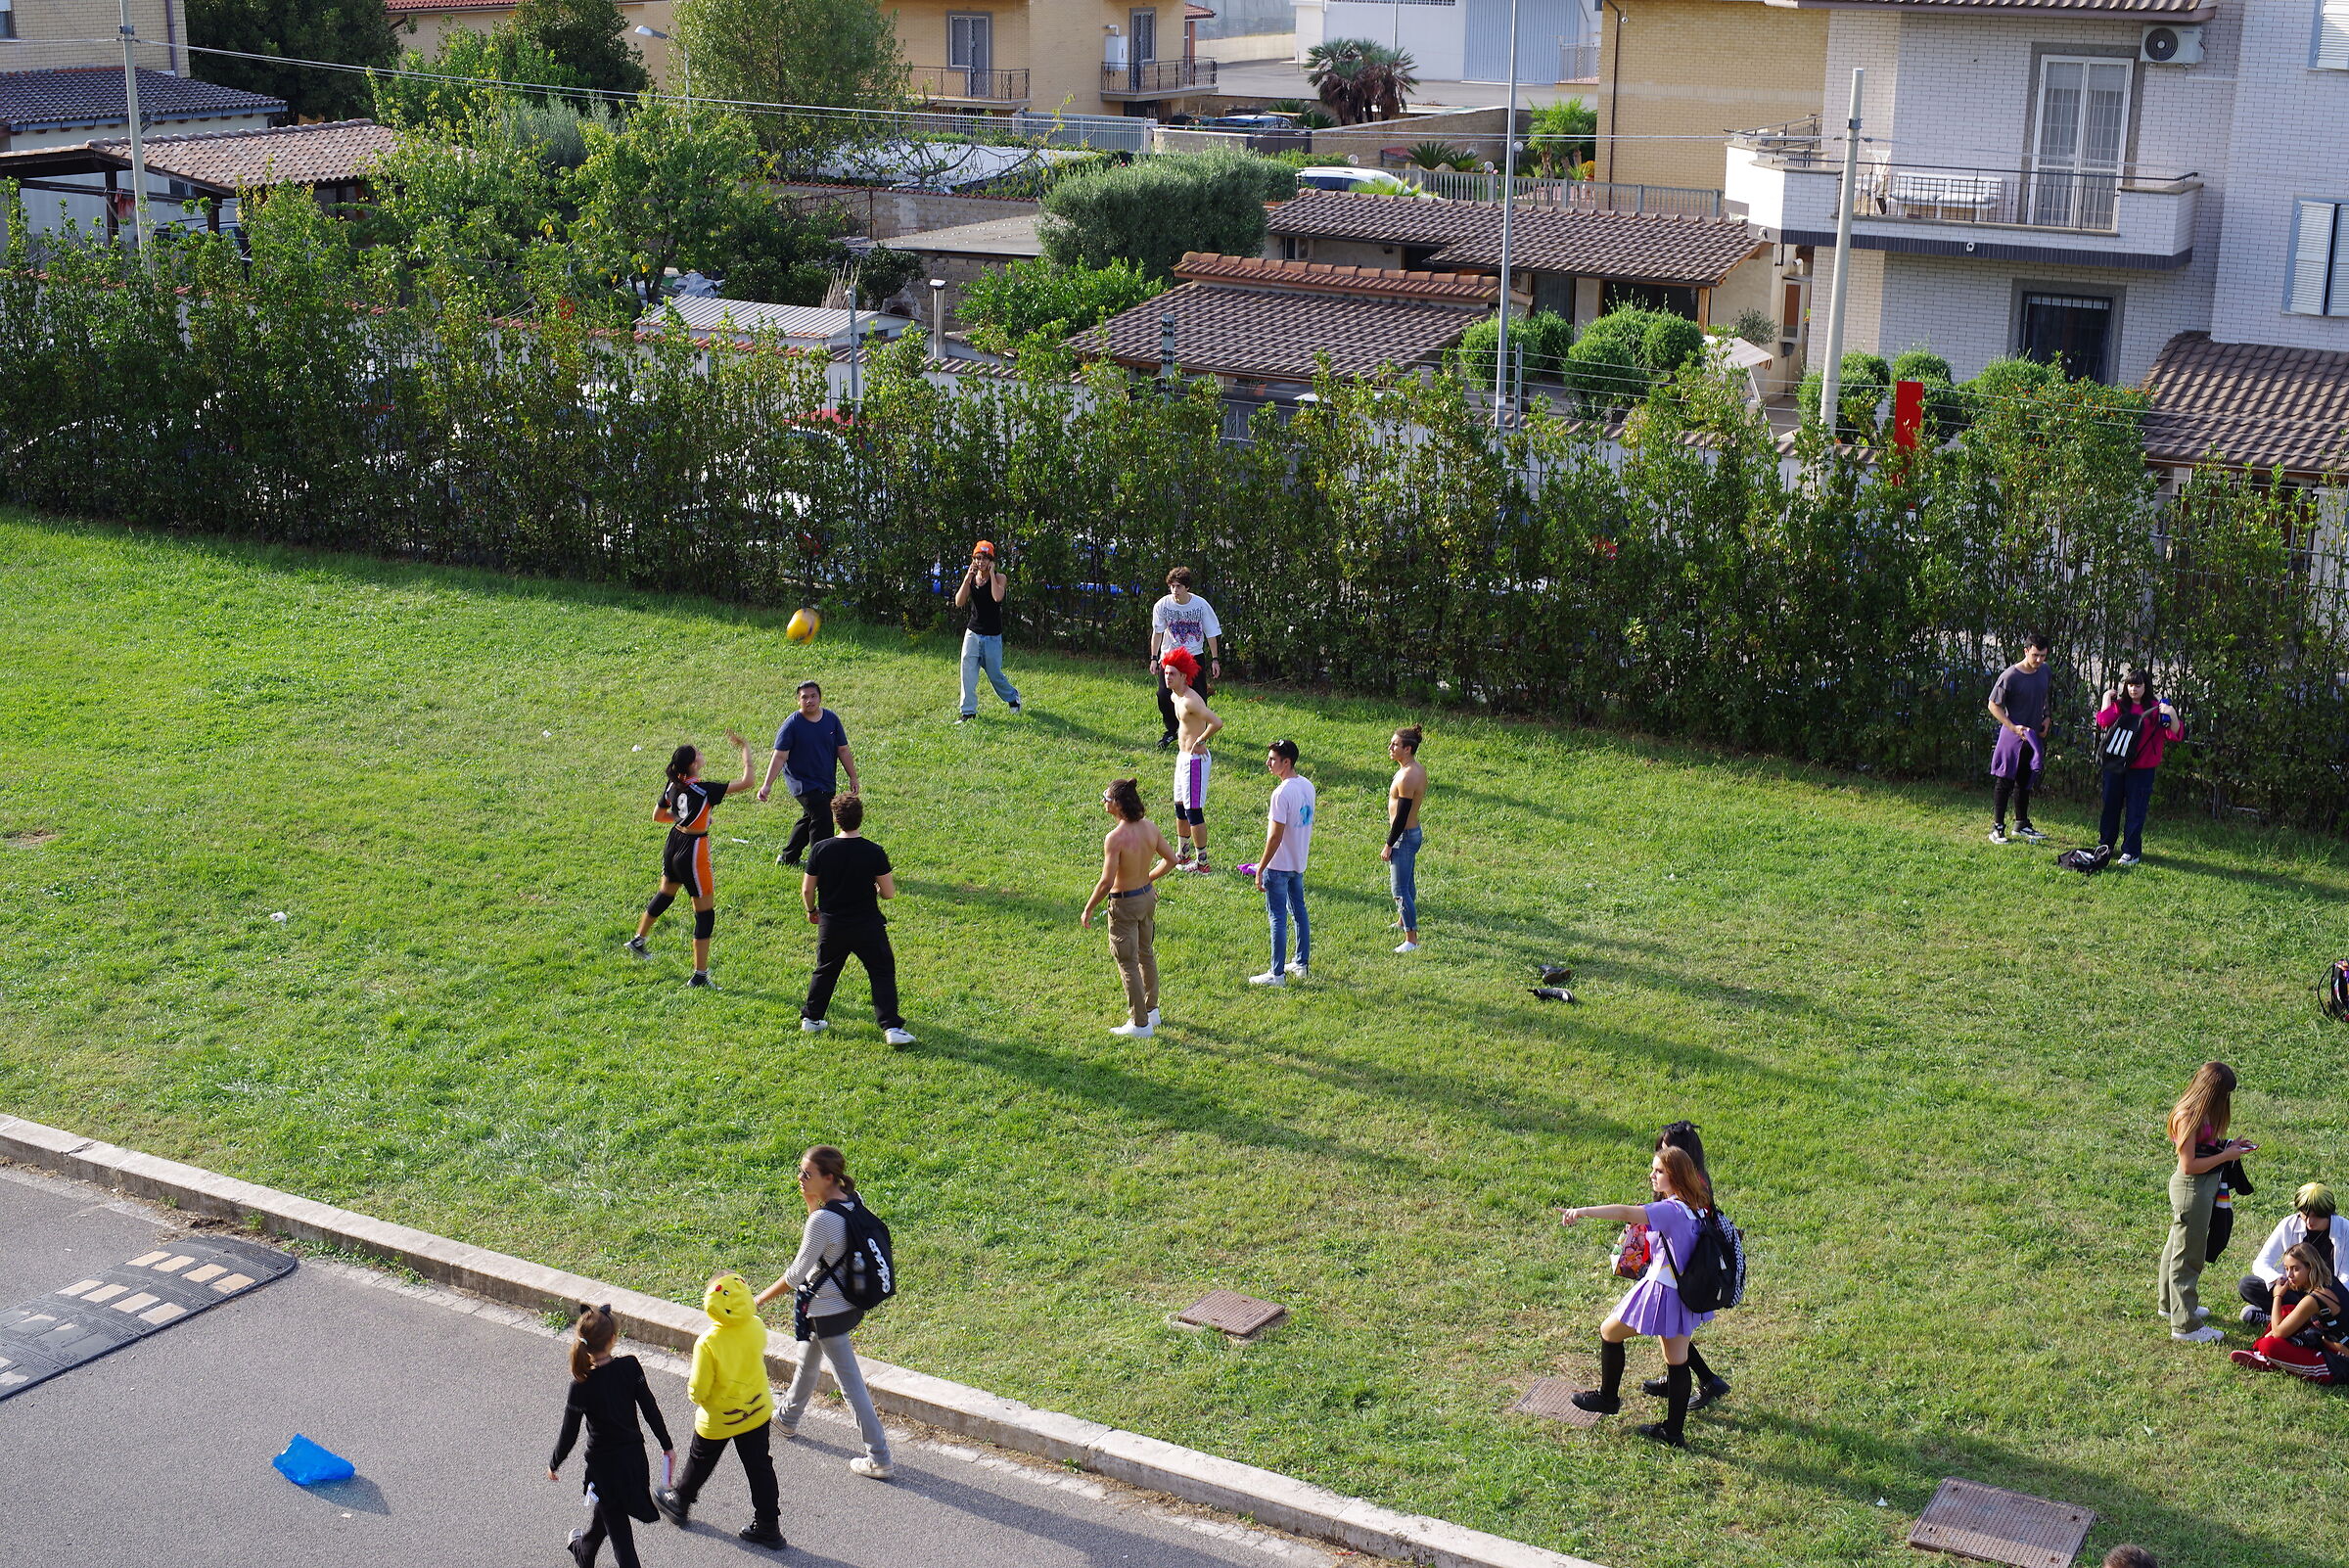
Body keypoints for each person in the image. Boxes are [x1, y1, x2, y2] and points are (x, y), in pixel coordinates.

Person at [1557, 1145, 1718, 1448]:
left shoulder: (1669, 1210)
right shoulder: (1696, 1204)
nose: (1652, 1176)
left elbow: (1624, 1212)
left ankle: (1607, 1398)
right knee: (1677, 1361)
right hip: (1686, 1296)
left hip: (1662, 1292)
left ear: (1676, 1176)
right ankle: (1672, 1432)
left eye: (1659, 1171)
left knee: (1609, 1331)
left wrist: (1581, 1211)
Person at [755, 1145, 897, 1478]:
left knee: (850, 1384)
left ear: (828, 1177)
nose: (800, 1179)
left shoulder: (822, 1220)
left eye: (807, 1174)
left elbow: (795, 1274)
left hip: (824, 1310)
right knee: (808, 1358)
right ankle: (787, 1418)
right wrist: (811, 1207)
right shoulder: (851, 1200)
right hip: (847, 1303)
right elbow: (829, 1246)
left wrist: (757, 1301)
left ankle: (879, 1457)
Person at [653, 1274, 785, 1550]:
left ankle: (681, 1501)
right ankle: (769, 1526)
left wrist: (696, 1397)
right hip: (757, 1410)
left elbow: (698, 1390)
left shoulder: (708, 1343)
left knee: (701, 1459)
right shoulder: (756, 1326)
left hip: (721, 1416)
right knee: (759, 1466)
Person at [549, 1304, 675, 1568]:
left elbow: (569, 1434)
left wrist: (554, 1463)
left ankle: (583, 1552)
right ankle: (583, 1552)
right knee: (608, 1513)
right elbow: (650, 1408)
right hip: (634, 1463)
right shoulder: (630, 1367)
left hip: (604, 1470)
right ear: (613, 1339)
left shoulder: (580, 1386)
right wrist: (667, 1446)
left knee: (621, 1539)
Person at [626, 733, 754, 989]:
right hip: (694, 850)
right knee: (705, 914)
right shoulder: (704, 788)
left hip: (673, 843)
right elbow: (748, 782)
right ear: (694, 763)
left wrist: (687, 820)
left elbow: (658, 816)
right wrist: (746, 748)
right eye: (698, 752)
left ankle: (638, 939)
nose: (702, 754)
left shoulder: (674, 783)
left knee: (666, 893)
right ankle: (700, 976)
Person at [800, 795, 915, 1047]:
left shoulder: (820, 849)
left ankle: (812, 1018)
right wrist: (873, 889)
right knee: (881, 971)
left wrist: (812, 911)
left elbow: (807, 890)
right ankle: (891, 1027)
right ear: (860, 818)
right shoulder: (873, 851)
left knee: (826, 971)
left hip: (832, 924)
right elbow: (889, 892)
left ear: (835, 819)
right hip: (867, 925)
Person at [1638, 1122, 1730, 1412]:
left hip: (1682, 1270)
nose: (1662, 1156)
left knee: (1673, 1325)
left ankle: (1703, 1379)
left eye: (1668, 1150)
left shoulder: (1692, 1185)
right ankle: (1687, 1377)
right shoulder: (1690, 1179)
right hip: (1673, 1266)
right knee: (1672, 1328)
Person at [2161, 1060, 2253, 1344]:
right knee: (2187, 1257)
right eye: (2223, 1094)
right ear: (2211, 1091)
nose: (2225, 1101)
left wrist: (2228, 1147)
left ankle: (2170, 1306)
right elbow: (2189, 1164)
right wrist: (2226, 1157)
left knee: (2176, 1246)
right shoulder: (2188, 1115)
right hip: (2192, 1189)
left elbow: (2202, 1150)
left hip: (2200, 1189)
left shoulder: (2200, 1112)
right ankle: (2185, 1324)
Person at [1081, 777, 1179, 1038]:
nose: (1104, 802)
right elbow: (1171, 859)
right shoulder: (1149, 827)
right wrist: (1148, 879)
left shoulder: (1115, 838)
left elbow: (1106, 881)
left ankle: (1140, 1024)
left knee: (1127, 961)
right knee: (1146, 953)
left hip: (1124, 904)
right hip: (1147, 898)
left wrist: (1089, 907)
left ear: (1119, 805)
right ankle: (1152, 1010)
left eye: (1107, 798)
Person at [760, 681, 859, 869]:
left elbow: (843, 750)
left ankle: (788, 857)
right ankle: (822, 864)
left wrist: (853, 776)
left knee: (810, 817)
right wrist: (767, 784)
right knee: (822, 817)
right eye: (804, 697)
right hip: (801, 783)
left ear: (820, 698)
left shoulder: (831, 719)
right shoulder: (792, 724)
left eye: (813, 696)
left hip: (826, 781)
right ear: (798, 700)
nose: (809, 700)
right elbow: (780, 755)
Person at [2095, 668, 2181, 866]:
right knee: (2110, 806)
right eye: (2130, 685)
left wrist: (2172, 714)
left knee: (2136, 809)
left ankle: (2131, 851)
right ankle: (2106, 844)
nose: (2133, 689)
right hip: (2116, 765)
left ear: (2146, 687)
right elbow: (2103, 721)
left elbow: (2175, 734)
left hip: (2143, 768)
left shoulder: (2155, 709)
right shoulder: (2120, 706)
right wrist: (2107, 697)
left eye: (2138, 685)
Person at [2230, 1242, 2348, 1383]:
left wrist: (2277, 1296)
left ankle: (2265, 1356)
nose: (2289, 1275)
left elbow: (2279, 1332)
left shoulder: (2314, 1299)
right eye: (2286, 1269)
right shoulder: (2328, 1280)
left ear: (2310, 1267)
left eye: (2295, 1269)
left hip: (2337, 1363)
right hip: (2328, 1341)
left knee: (2269, 1345)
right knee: (2288, 1310)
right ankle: (2265, 1356)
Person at [1250, 739, 1315, 988]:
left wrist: (1261, 867)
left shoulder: (1281, 793)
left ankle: (1276, 974)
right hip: (1298, 862)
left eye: (1273, 759)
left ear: (1286, 762)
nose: (1268, 763)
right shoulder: (1307, 786)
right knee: (1299, 912)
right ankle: (1301, 963)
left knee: (1277, 917)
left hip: (1278, 866)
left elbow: (1275, 836)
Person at [2239, 1181, 2337, 1326]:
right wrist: (2280, 1280)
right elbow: (2261, 1262)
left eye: (2316, 1216)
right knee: (2248, 1285)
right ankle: (2298, 1318)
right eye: (2304, 1214)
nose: (2309, 1221)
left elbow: (2345, 1278)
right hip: (2295, 1288)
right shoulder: (2289, 1224)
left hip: (2327, 1294)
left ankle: (2286, 1317)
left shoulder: (2345, 1230)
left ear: (2328, 1213)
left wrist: (2322, 1295)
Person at [1986, 633, 2051, 846]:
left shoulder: (2045, 671)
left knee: (2025, 781)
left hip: (2032, 737)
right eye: (2035, 655)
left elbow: (2044, 696)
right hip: (2012, 735)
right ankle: (1997, 828)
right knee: (2005, 781)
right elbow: (1993, 705)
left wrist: (2047, 717)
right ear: (2026, 651)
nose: (2039, 660)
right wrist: (2013, 727)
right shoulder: (2010, 676)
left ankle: (2021, 824)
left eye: (2043, 655)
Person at [1162, 648, 1222, 872]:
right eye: (1166, 673)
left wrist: (1200, 740)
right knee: (1180, 807)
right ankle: (1183, 855)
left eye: (1172, 674)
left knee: (1193, 810)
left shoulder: (1191, 701)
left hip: (1195, 761)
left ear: (1184, 676)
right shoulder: (1173, 696)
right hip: (1182, 757)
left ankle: (1203, 863)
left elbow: (1217, 722)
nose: (1167, 677)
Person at [1148, 568, 1222, 751]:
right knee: (1164, 695)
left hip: (1193, 655)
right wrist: (1153, 658)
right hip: (1170, 657)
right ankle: (1173, 730)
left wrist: (1215, 659)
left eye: (1179, 586)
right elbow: (1157, 633)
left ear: (1187, 587)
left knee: (1198, 696)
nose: (1175, 590)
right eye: (1172, 586)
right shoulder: (1162, 605)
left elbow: (1211, 633)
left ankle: (1200, 734)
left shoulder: (1200, 605)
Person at [954, 539, 1021, 722]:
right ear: (973, 559)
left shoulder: (1000, 578)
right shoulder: (971, 578)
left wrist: (991, 574)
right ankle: (968, 712)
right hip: (973, 633)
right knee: (967, 671)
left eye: (985, 558)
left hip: (992, 636)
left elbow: (997, 597)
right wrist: (967, 579)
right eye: (977, 558)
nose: (980, 562)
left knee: (994, 674)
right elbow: (959, 602)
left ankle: (1013, 697)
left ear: (991, 560)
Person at [1383, 726, 1427, 952]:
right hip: (1412, 833)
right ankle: (1402, 921)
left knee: (1399, 889)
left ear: (1407, 749)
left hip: (1404, 836)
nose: (1390, 748)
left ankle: (1411, 939)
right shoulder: (1416, 769)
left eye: (1395, 745)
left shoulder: (1408, 776)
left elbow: (1401, 815)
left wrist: (1389, 844)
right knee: (1408, 883)